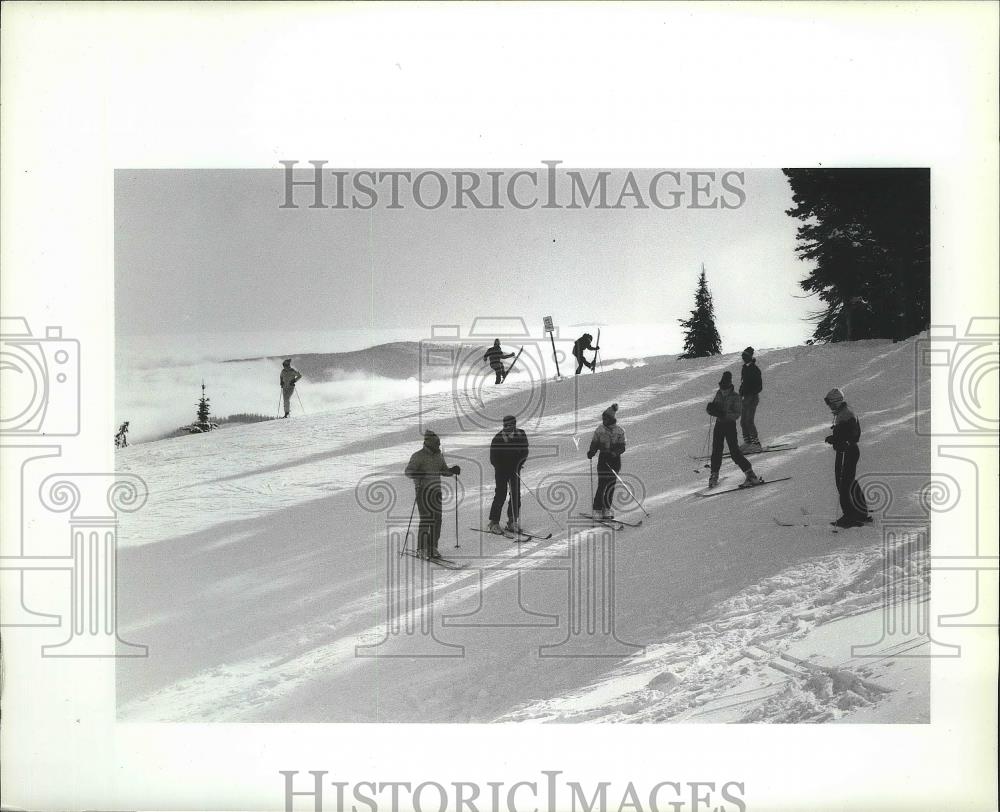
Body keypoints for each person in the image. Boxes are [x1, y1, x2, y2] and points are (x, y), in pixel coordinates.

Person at [404, 431, 461, 558]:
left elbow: (443, 470)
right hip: (423, 491)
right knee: (426, 519)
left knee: (437, 520)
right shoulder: (418, 456)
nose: (439, 445)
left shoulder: (438, 456)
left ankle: (432, 547)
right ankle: (421, 549)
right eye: (437, 443)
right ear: (429, 443)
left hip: (436, 491)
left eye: (439, 443)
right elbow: (408, 472)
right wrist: (417, 474)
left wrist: (452, 470)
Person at [824, 388, 872, 528]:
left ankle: (849, 516)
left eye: (831, 403)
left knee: (843, 483)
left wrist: (838, 440)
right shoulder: (842, 412)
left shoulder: (846, 414)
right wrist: (835, 438)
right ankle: (861, 513)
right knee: (850, 481)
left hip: (847, 451)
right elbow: (844, 433)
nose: (830, 406)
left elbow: (852, 433)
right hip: (847, 450)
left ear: (837, 401)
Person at [706, 371, 762, 489]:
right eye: (721, 387)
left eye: (725, 388)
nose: (723, 390)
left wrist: (723, 414)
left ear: (730, 386)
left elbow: (737, 414)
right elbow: (716, 405)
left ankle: (750, 474)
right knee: (716, 451)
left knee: (735, 452)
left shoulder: (736, 397)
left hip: (729, 425)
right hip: (719, 425)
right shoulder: (719, 393)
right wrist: (712, 408)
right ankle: (714, 474)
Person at [487, 414, 530, 534]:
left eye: (511, 425)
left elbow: (524, 452)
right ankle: (494, 522)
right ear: (503, 425)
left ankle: (512, 521)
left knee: (516, 495)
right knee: (501, 494)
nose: (509, 427)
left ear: (515, 425)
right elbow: (493, 459)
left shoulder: (521, 434)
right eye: (506, 425)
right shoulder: (498, 438)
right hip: (501, 471)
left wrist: (518, 464)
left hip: (515, 470)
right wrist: (504, 468)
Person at [587, 403, 626, 519]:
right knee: (602, 484)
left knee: (611, 485)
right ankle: (597, 509)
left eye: (606, 418)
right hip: (603, 459)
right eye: (603, 418)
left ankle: (607, 509)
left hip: (614, 460)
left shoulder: (619, 431)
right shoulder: (600, 430)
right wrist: (591, 452)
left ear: (611, 419)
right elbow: (595, 443)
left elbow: (622, 446)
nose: (603, 420)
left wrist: (614, 453)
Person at [738, 346, 763, 452]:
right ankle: (748, 442)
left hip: (752, 398)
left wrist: (750, 393)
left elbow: (759, 386)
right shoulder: (745, 368)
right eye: (742, 356)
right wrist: (741, 392)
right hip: (745, 398)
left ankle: (756, 443)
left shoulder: (755, 369)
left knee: (749, 421)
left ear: (750, 357)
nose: (743, 358)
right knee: (743, 421)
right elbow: (743, 383)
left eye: (745, 356)